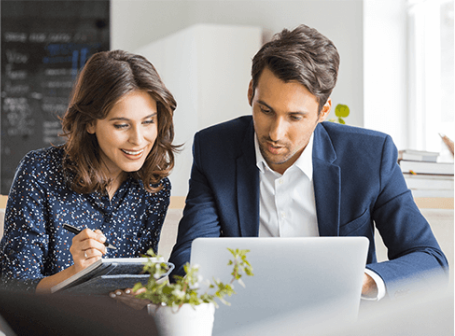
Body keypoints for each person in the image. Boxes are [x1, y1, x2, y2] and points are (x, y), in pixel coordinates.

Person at [168, 25, 448, 300]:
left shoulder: (370, 156)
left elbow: (429, 260)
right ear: (251, 91)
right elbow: (188, 258)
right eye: (265, 110)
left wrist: (359, 280)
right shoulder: (215, 148)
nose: (275, 133)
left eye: (295, 117)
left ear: (323, 111)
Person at [0, 50, 178, 292]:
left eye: (148, 121)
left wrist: (138, 297)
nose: (138, 140)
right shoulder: (39, 172)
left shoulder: (154, 188)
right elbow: (12, 286)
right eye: (121, 125)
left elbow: (138, 280)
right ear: (89, 123)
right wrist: (77, 272)